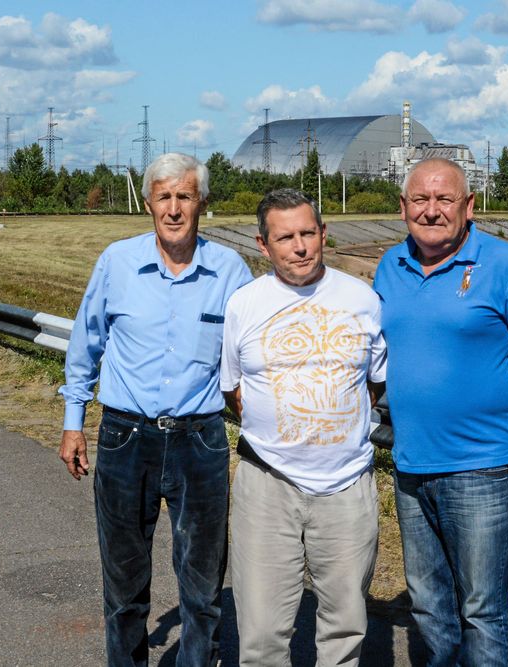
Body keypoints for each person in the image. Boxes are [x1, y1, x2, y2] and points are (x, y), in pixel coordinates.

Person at [58, 152, 252, 667]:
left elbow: (252, 352)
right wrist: (73, 423)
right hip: (125, 438)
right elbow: (85, 345)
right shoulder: (116, 263)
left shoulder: (231, 271)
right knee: (124, 588)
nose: (173, 208)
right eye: (163, 196)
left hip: (201, 440)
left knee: (203, 586)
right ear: (148, 203)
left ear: (201, 204)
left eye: (184, 196)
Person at [372, 158, 508, 666]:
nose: (431, 211)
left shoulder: (505, 265)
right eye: (420, 200)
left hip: (480, 469)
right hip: (411, 466)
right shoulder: (389, 267)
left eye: (444, 200)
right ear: (402, 207)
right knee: (430, 607)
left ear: (469, 207)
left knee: (482, 611)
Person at [220, 188, 386, 666]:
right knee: (262, 633)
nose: (300, 247)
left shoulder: (363, 299)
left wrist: (330, 425)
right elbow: (235, 392)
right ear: (262, 244)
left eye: (308, 233)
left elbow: (373, 384)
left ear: (324, 234)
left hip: (348, 487)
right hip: (267, 485)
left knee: (345, 628)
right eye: (286, 237)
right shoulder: (243, 305)